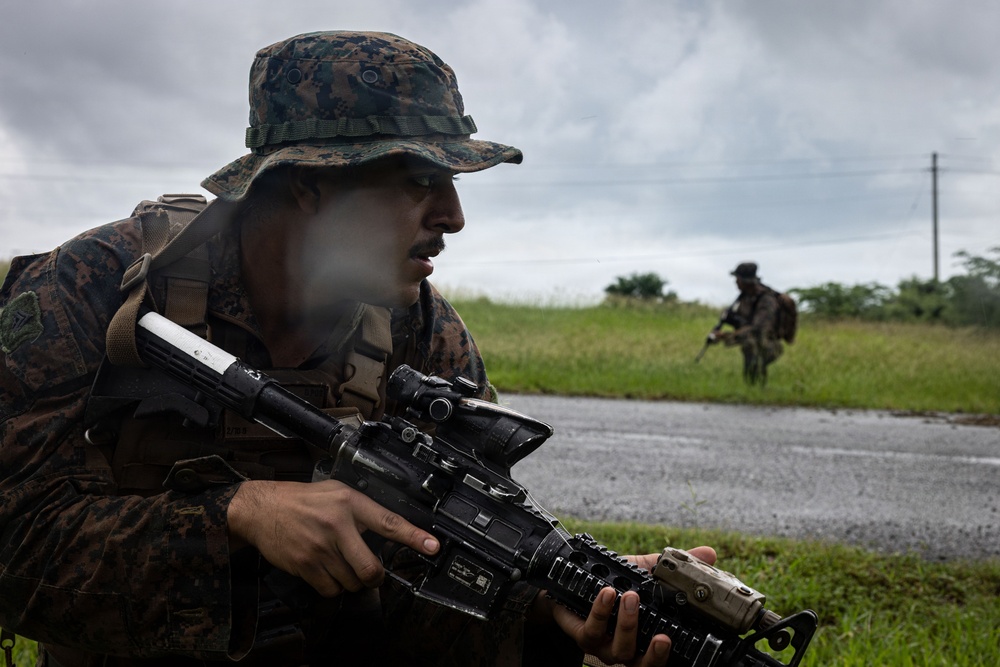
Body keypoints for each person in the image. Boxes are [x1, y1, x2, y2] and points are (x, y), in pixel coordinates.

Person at [0, 31, 715, 667]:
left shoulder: (426, 338)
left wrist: (544, 607)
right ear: (308, 184)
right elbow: (14, 546)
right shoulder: (96, 290)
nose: (454, 217)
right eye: (417, 181)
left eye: (453, 182)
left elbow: (421, 579)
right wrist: (236, 518)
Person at [707, 262, 784, 385]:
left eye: (737, 279)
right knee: (750, 349)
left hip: (768, 343)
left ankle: (757, 387)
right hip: (754, 340)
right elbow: (743, 322)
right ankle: (751, 388)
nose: (736, 282)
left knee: (751, 348)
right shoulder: (745, 298)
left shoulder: (766, 300)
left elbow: (757, 328)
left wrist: (726, 336)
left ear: (745, 281)